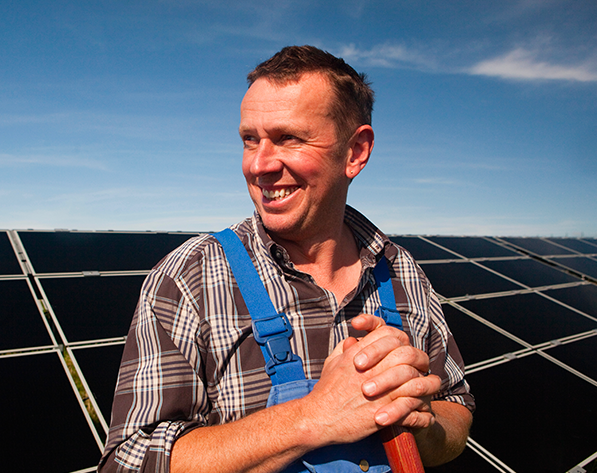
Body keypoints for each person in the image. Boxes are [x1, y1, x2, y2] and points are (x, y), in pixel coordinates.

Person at [99, 45, 474, 473]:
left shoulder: (402, 271)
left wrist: (418, 423)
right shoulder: (190, 277)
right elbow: (128, 462)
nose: (259, 165)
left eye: (288, 138)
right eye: (249, 140)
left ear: (356, 152)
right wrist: (312, 417)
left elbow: (457, 409)